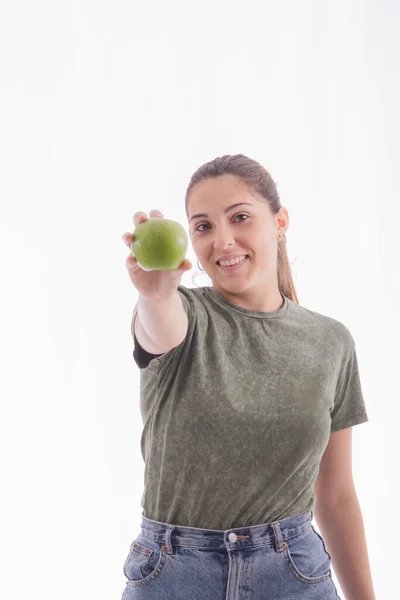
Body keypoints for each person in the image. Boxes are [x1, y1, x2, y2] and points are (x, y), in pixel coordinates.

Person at [120, 154, 374, 600]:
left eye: (239, 217)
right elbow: (159, 326)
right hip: (175, 573)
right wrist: (156, 294)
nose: (223, 240)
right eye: (202, 227)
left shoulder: (331, 342)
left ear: (280, 221)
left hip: (293, 571)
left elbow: (336, 497)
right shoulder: (183, 313)